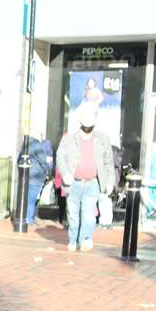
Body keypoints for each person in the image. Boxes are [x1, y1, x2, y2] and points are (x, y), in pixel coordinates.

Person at [57, 103, 117, 250]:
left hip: (93, 183)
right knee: (73, 215)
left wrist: (110, 182)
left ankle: (85, 239)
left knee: (89, 215)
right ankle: (73, 240)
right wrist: (65, 173)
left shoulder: (103, 139)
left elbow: (109, 162)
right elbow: (60, 156)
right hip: (73, 183)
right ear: (80, 122)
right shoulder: (68, 139)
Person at [18, 130, 54, 228]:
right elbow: (42, 160)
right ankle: (29, 219)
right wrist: (47, 169)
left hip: (26, 175)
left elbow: (19, 159)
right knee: (32, 199)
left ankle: (25, 217)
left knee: (26, 198)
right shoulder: (37, 145)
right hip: (36, 176)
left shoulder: (25, 144)